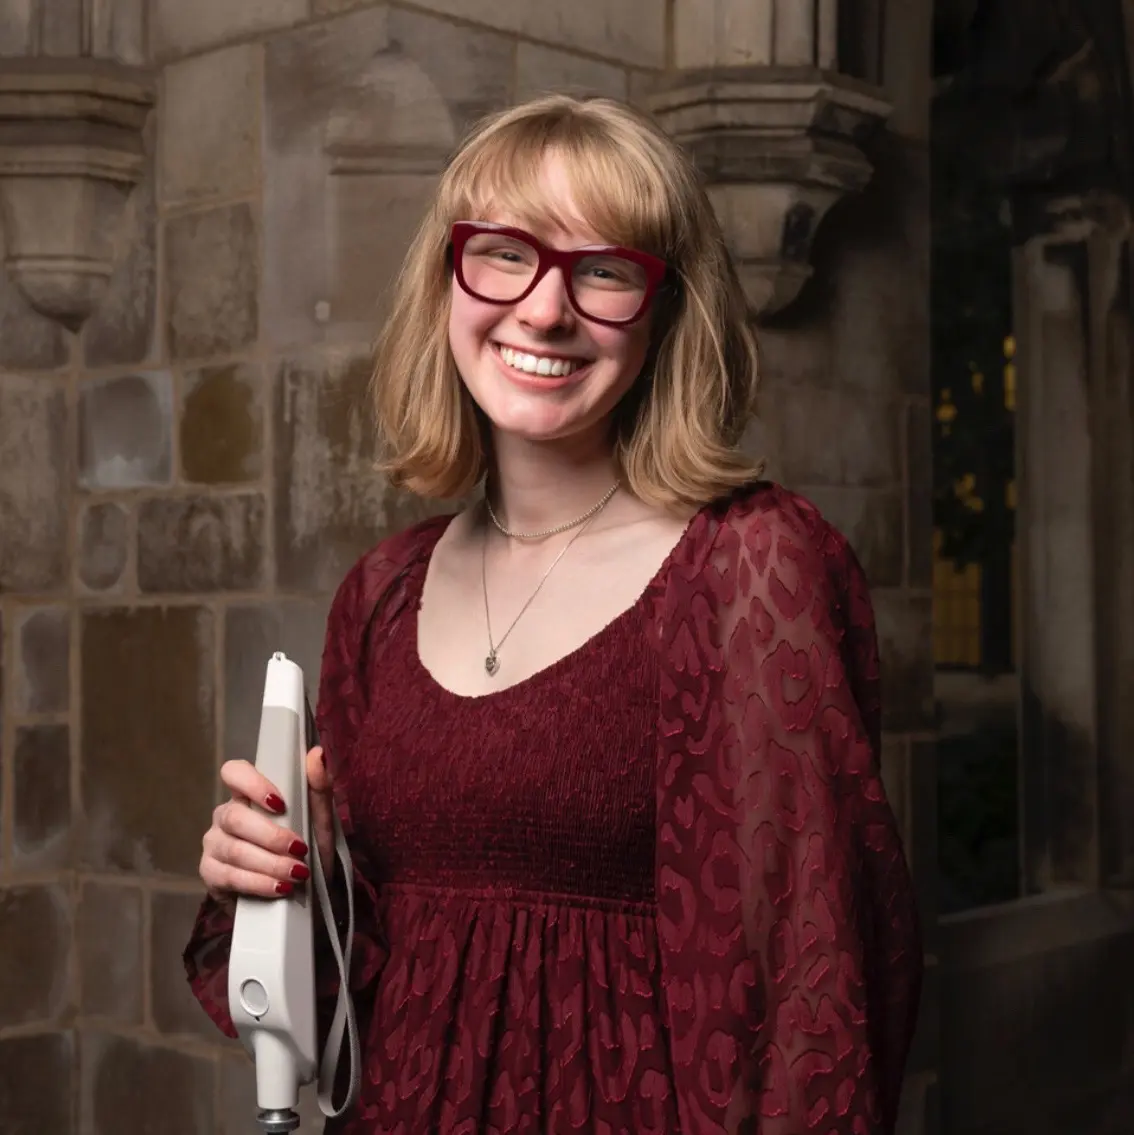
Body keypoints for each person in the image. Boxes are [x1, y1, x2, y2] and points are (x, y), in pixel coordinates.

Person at [185, 93, 923, 1133]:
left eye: (605, 270)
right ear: (448, 281)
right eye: (503, 254)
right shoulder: (382, 592)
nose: (544, 310)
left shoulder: (750, 567)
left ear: (666, 312)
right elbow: (354, 991)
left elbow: (816, 997)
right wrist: (275, 880)